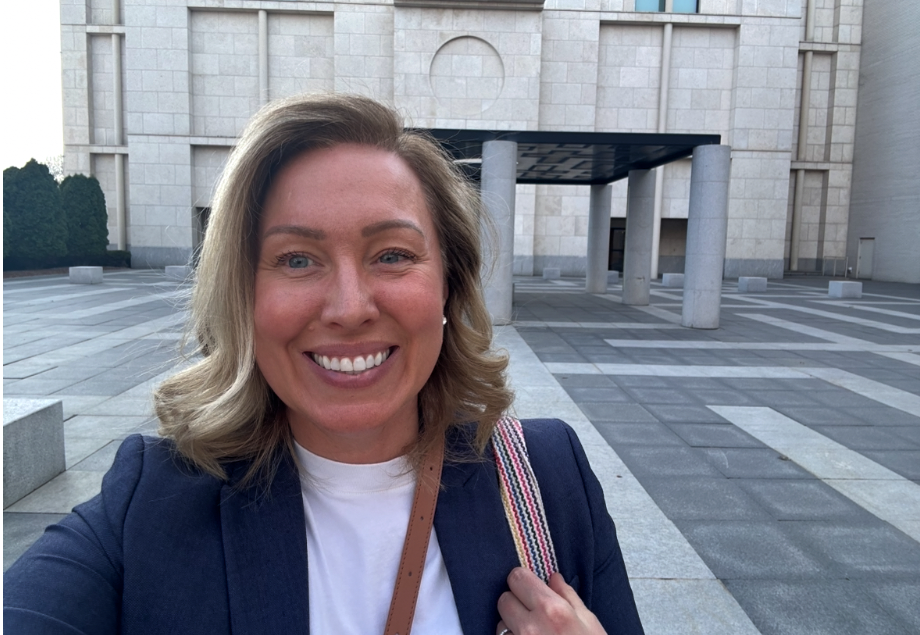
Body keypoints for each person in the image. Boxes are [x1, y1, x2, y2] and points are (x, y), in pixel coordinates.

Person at [4, 93, 644, 635]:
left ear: (448, 283)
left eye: (392, 254)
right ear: (244, 296)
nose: (348, 308)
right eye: (297, 259)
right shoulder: (154, 500)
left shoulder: (548, 478)